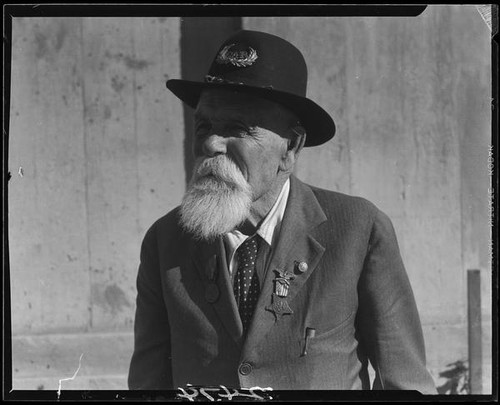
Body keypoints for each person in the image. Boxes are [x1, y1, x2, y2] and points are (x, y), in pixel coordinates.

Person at [128, 29, 437, 392]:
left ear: (290, 147)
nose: (211, 142)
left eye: (237, 128)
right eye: (204, 125)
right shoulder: (166, 242)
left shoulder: (357, 230)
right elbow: (147, 388)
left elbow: (406, 386)